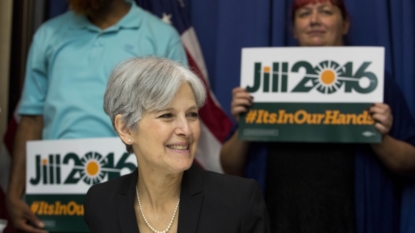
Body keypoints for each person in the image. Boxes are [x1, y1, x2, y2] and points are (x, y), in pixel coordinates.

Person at [221, 0, 415, 232]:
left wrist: (379, 136)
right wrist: (246, 125)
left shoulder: (375, 80)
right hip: (277, 221)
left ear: (345, 24)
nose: (314, 20)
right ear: (293, 28)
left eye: (325, 11)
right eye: (304, 13)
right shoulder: (264, 80)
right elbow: (229, 167)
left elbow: (410, 163)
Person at [6, 0, 187, 232]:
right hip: (56, 198)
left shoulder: (160, 36)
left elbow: (176, 122)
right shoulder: (48, 35)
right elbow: (31, 119)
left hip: (132, 192)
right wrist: (14, 193)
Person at [83, 57, 270, 233]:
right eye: (167, 115)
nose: (186, 130)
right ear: (126, 128)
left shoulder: (238, 199)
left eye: (192, 115)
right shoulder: (100, 202)